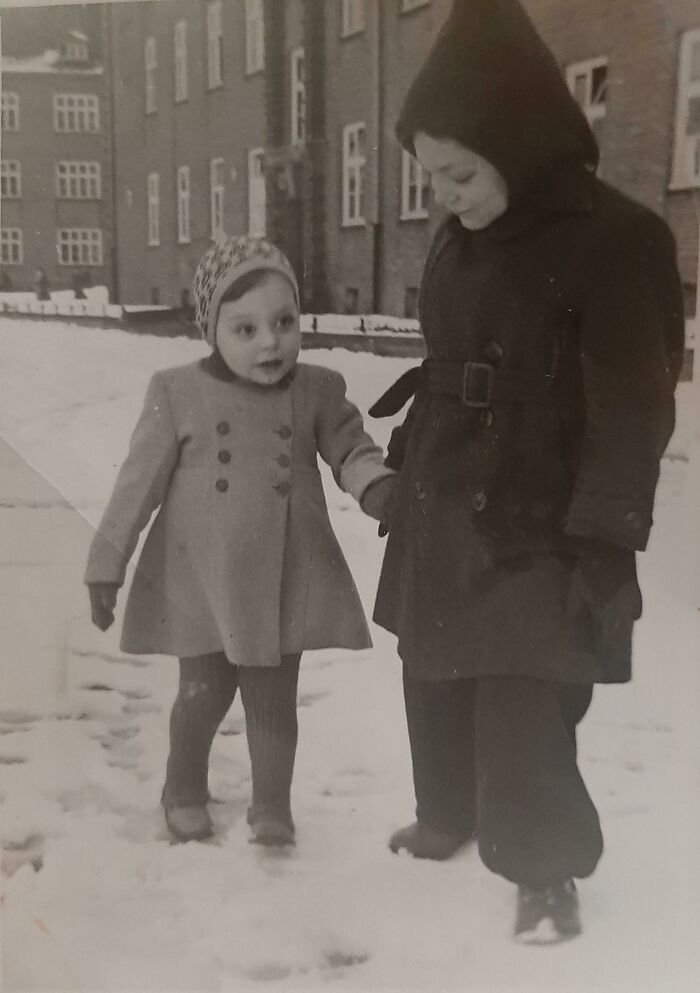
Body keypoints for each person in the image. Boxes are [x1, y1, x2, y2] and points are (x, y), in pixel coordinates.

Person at [369, 0, 684, 943]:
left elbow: (634, 405)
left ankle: (545, 870)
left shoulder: (618, 239)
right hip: (448, 486)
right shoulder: (463, 234)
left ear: (520, 139)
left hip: (543, 512)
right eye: (432, 176)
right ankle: (447, 812)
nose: (445, 196)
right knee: (430, 667)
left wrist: (605, 534)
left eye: (459, 172)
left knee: (523, 695)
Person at [85, 235, 395, 846]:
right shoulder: (176, 392)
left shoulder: (317, 388)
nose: (271, 342)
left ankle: (272, 805)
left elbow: (352, 448)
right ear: (211, 331)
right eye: (245, 329)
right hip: (199, 578)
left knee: (273, 698)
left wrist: (376, 486)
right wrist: (106, 565)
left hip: (283, 575)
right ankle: (183, 787)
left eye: (284, 322)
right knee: (201, 695)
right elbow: (135, 485)